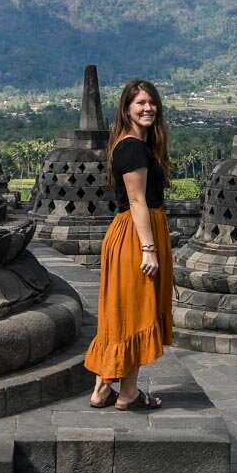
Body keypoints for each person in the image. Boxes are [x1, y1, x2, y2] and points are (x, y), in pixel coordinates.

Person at [86, 78, 174, 410]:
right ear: (126, 109)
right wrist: (149, 249)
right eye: (140, 103)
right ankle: (128, 394)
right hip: (137, 235)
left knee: (119, 311)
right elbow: (137, 201)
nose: (148, 108)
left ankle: (102, 387)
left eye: (152, 102)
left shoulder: (131, 144)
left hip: (132, 232)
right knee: (137, 313)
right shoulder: (133, 147)